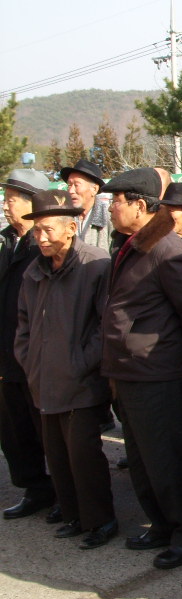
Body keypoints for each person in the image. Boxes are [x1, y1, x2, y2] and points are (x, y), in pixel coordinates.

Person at [100, 167, 182, 569]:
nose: (111, 208)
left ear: (140, 206)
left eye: (117, 201)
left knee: (164, 460)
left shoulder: (166, 248)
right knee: (141, 458)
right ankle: (162, 525)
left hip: (155, 371)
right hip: (126, 369)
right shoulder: (131, 244)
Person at [14, 189, 117, 549]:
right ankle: (73, 515)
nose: (41, 238)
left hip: (81, 382)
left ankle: (100, 521)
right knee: (57, 456)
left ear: (71, 228)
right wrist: (30, 361)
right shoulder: (34, 270)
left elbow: (106, 326)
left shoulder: (95, 264)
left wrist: (79, 364)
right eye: (36, 230)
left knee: (84, 456)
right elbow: (23, 325)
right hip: (44, 380)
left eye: (48, 230)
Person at [0, 169, 57, 521]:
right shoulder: (8, 242)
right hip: (7, 356)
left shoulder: (43, 247)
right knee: (14, 430)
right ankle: (36, 488)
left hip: (36, 356)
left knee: (47, 431)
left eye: (12, 200)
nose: (6, 206)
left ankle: (65, 491)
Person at [60, 158, 111, 251]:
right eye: (69, 185)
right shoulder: (63, 217)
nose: (71, 191)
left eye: (76, 185)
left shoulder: (109, 217)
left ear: (94, 189)